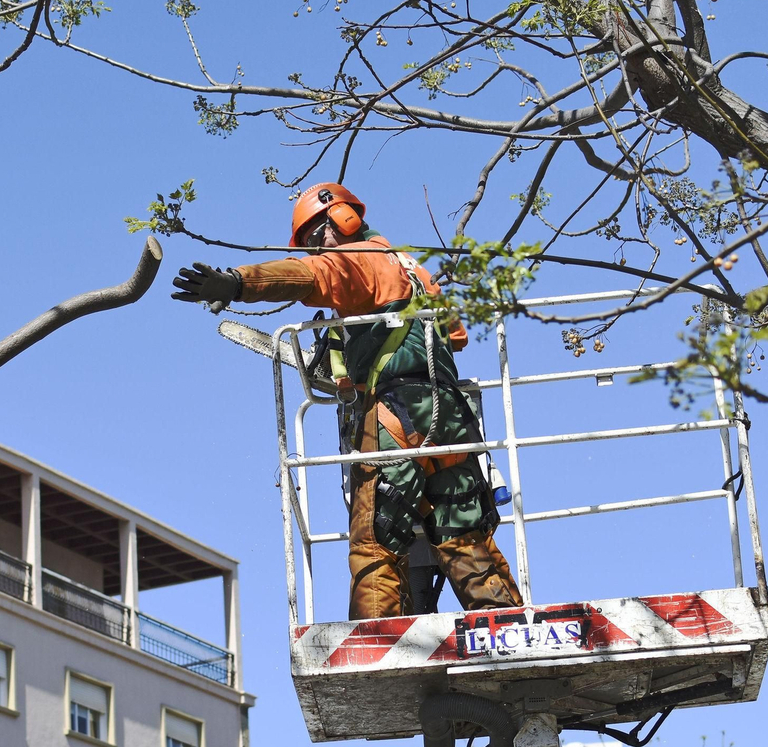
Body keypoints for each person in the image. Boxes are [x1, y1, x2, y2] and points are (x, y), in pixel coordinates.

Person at [171, 182, 522, 618]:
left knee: (374, 542)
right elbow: (456, 335)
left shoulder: (355, 260)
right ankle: (507, 627)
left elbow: (308, 277)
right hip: (451, 415)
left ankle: (376, 643)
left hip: (398, 416)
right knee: (465, 537)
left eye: (318, 236)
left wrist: (237, 282)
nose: (317, 249)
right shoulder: (412, 267)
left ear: (343, 217)